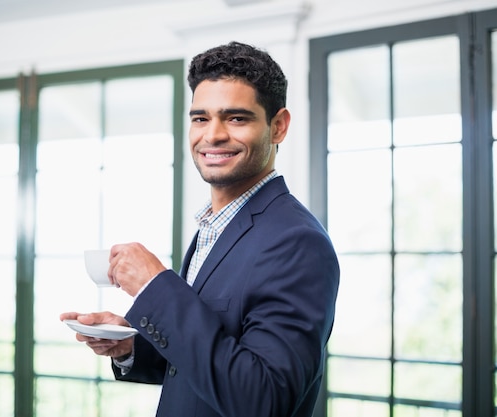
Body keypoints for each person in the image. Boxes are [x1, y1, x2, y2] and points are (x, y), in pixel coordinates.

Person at [60, 41, 340, 417]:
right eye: (200, 118)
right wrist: (131, 346)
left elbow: (264, 399)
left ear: (278, 126)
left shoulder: (296, 242)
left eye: (237, 118)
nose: (213, 135)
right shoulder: (214, 227)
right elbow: (210, 359)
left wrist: (153, 286)